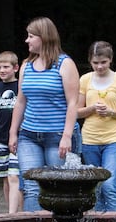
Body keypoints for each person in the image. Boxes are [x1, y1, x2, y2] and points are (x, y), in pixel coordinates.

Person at [8, 17, 79, 211]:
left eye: (31, 36)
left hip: (56, 136)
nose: (27, 40)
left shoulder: (65, 64)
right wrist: (13, 133)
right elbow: (20, 101)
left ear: (44, 37)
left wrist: (66, 136)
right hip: (29, 136)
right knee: (31, 187)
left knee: (56, 187)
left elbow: (73, 103)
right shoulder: (26, 65)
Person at [76, 40, 116, 212]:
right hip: (89, 141)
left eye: (103, 62)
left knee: (109, 186)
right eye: (95, 63)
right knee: (96, 188)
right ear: (90, 61)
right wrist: (92, 108)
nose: (99, 67)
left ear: (110, 60)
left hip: (113, 140)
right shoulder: (84, 80)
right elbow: (77, 112)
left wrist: (110, 112)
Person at [0, 50, 22, 213]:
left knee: (15, 176)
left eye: (6, 67)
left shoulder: (21, 86)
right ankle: (11, 211)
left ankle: (14, 213)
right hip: (0, 138)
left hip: (19, 139)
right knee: (6, 179)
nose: (1, 70)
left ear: (16, 68)